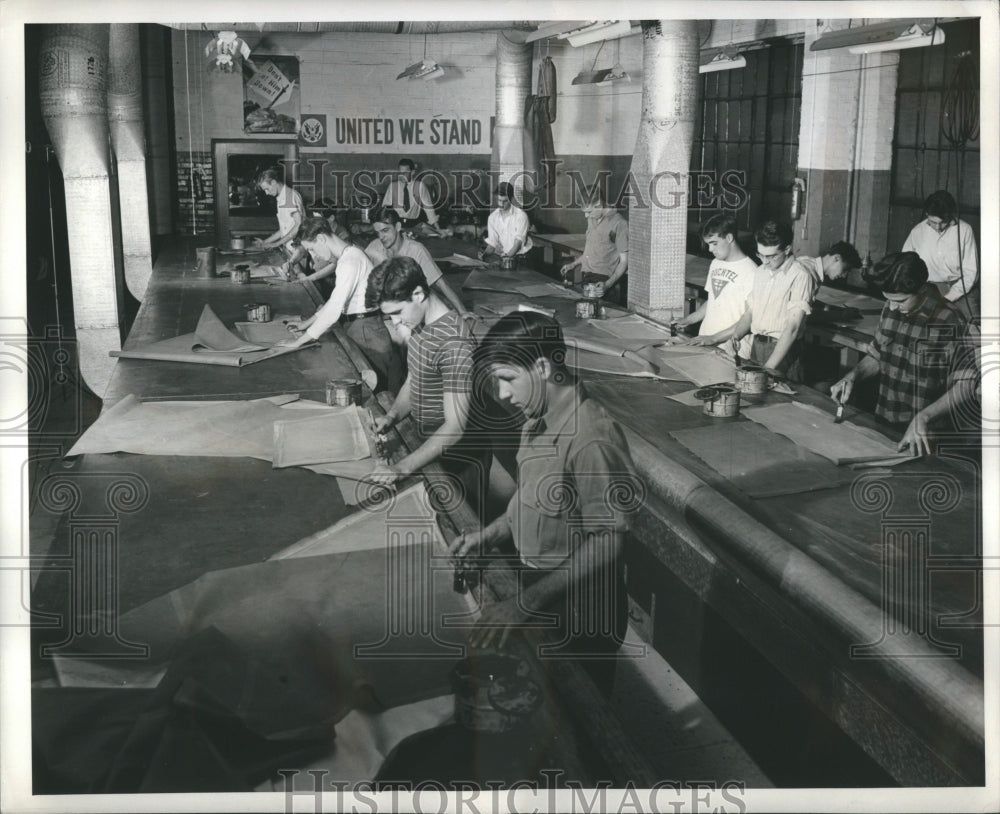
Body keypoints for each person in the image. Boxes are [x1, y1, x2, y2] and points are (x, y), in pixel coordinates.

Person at [449, 312, 638, 696]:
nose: (502, 394)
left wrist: (524, 603)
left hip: (583, 609)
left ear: (541, 367)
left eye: (507, 379)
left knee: (582, 721)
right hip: (545, 591)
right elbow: (530, 496)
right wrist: (489, 535)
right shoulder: (536, 419)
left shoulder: (591, 439)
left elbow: (608, 541)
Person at [365, 257, 490, 513]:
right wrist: (392, 415)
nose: (396, 323)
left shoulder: (454, 343)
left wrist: (402, 467)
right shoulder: (421, 326)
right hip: (427, 445)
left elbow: (455, 429)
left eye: (397, 313)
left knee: (456, 527)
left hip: (455, 459)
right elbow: (415, 378)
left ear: (419, 294)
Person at [830, 252, 979, 456]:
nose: (892, 307)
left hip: (926, 438)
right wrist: (853, 376)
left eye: (900, 301)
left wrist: (924, 418)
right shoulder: (891, 308)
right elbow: (878, 355)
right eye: (888, 300)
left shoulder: (949, 320)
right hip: (885, 424)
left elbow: (967, 384)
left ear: (922, 289)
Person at [278, 217, 404, 394]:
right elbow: (335, 301)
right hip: (359, 327)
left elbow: (334, 308)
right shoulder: (347, 256)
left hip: (366, 331)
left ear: (321, 238)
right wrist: (306, 324)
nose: (316, 256)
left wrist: (299, 341)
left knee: (377, 392)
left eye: (312, 249)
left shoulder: (350, 261)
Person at [693, 220, 818, 380]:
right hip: (756, 347)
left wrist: (768, 368)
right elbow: (750, 313)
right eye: (761, 255)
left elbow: (792, 328)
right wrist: (735, 337)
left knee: (779, 400)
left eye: (771, 256)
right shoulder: (761, 272)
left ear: (787, 249)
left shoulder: (800, 275)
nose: (765, 261)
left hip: (782, 350)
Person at [673, 213, 758, 349]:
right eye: (708, 244)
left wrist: (714, 338)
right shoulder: (715, 263)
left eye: (714, 243)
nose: (710, 249)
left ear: (729, 238)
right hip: (705, 339)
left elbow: (750, 318)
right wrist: (689, 319)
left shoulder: (752, 272)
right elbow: (714, 299)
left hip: (731, 347)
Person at [366, 207, 468, 314]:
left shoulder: (416, 249)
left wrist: (463, 312)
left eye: (385, 230)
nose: (381, 237)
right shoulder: (373, 247)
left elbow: (440, 283)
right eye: (377, 233)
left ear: (397, 226)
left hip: (412, 311)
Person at [902, 190, 979, 313]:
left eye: (943, 222)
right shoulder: (917, 232)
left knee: (972, 327)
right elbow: (905, 264)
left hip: (961, 288)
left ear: (950, 216)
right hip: (928, 288)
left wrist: (948, 297)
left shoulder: (964, 230)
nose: (938, 227)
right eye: (933, 222)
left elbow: (971, 272)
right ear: (927, 214)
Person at [559, 189, 629, 306]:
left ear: (599, 205)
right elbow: (590, 251)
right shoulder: (593, 218)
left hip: (605, 282)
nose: (586, 216)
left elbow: (624, 262)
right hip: (588, 278)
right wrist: (574, 264)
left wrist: (607, 285)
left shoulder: (619, 224)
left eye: (589, 212)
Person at [253, 166, 305, 256]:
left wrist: (277, 244)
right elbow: (284, 230)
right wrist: (264, 242)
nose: (266, 193)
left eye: (267, 189)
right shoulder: (281, 198)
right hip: (289, 248)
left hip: (299, 249)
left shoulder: (290, 196)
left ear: (273, 182)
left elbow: (298, 225)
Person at [381, 158, 440, 231]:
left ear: (412, 172)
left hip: (414, 225)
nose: (402, 175)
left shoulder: (420, 186)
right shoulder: (393, 186)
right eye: (400, 172)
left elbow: (429, 209)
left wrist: (438, 229)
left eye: (405, 173)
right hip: (396, 225)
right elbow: (385, 209)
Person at [479, 182, 532, 263]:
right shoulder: (492, 218)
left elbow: (517, 245)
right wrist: (484, 255)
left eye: (505, 201)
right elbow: (492, 244)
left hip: (521, 259)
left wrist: (505, 259)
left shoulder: (521, 216)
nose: (501, 204)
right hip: (504, 258)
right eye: (499, 200)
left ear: (511, 199)